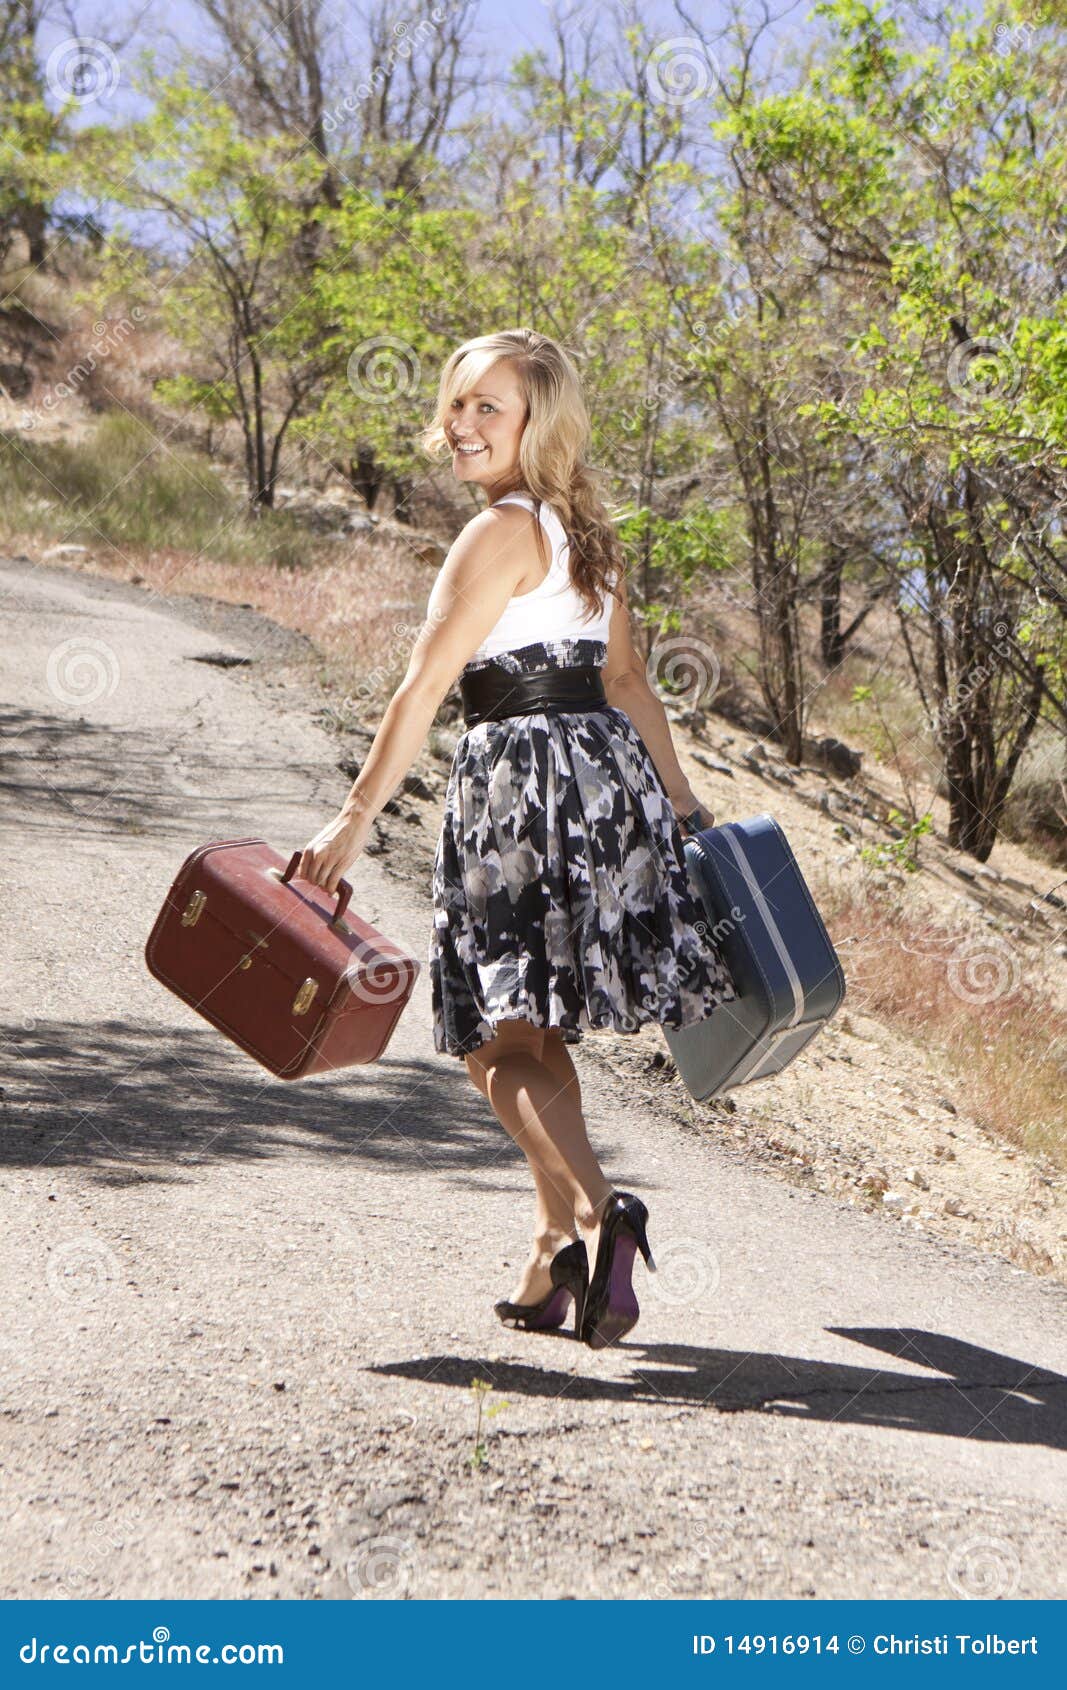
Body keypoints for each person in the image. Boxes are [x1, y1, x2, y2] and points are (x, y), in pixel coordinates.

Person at [297, 327, 737, 1349]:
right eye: (455, 404)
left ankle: (597, 1209)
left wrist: (353, 818)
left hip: (514, 791)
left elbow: (424, 683)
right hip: (602, 790)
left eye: (486, 406)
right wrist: (682, 812)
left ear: (539, 421)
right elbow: (626, 686)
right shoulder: (589, 532)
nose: (460, 423)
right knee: (535, 1036)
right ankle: (550, 1260)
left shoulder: (497, 531)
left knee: (491, 1041)